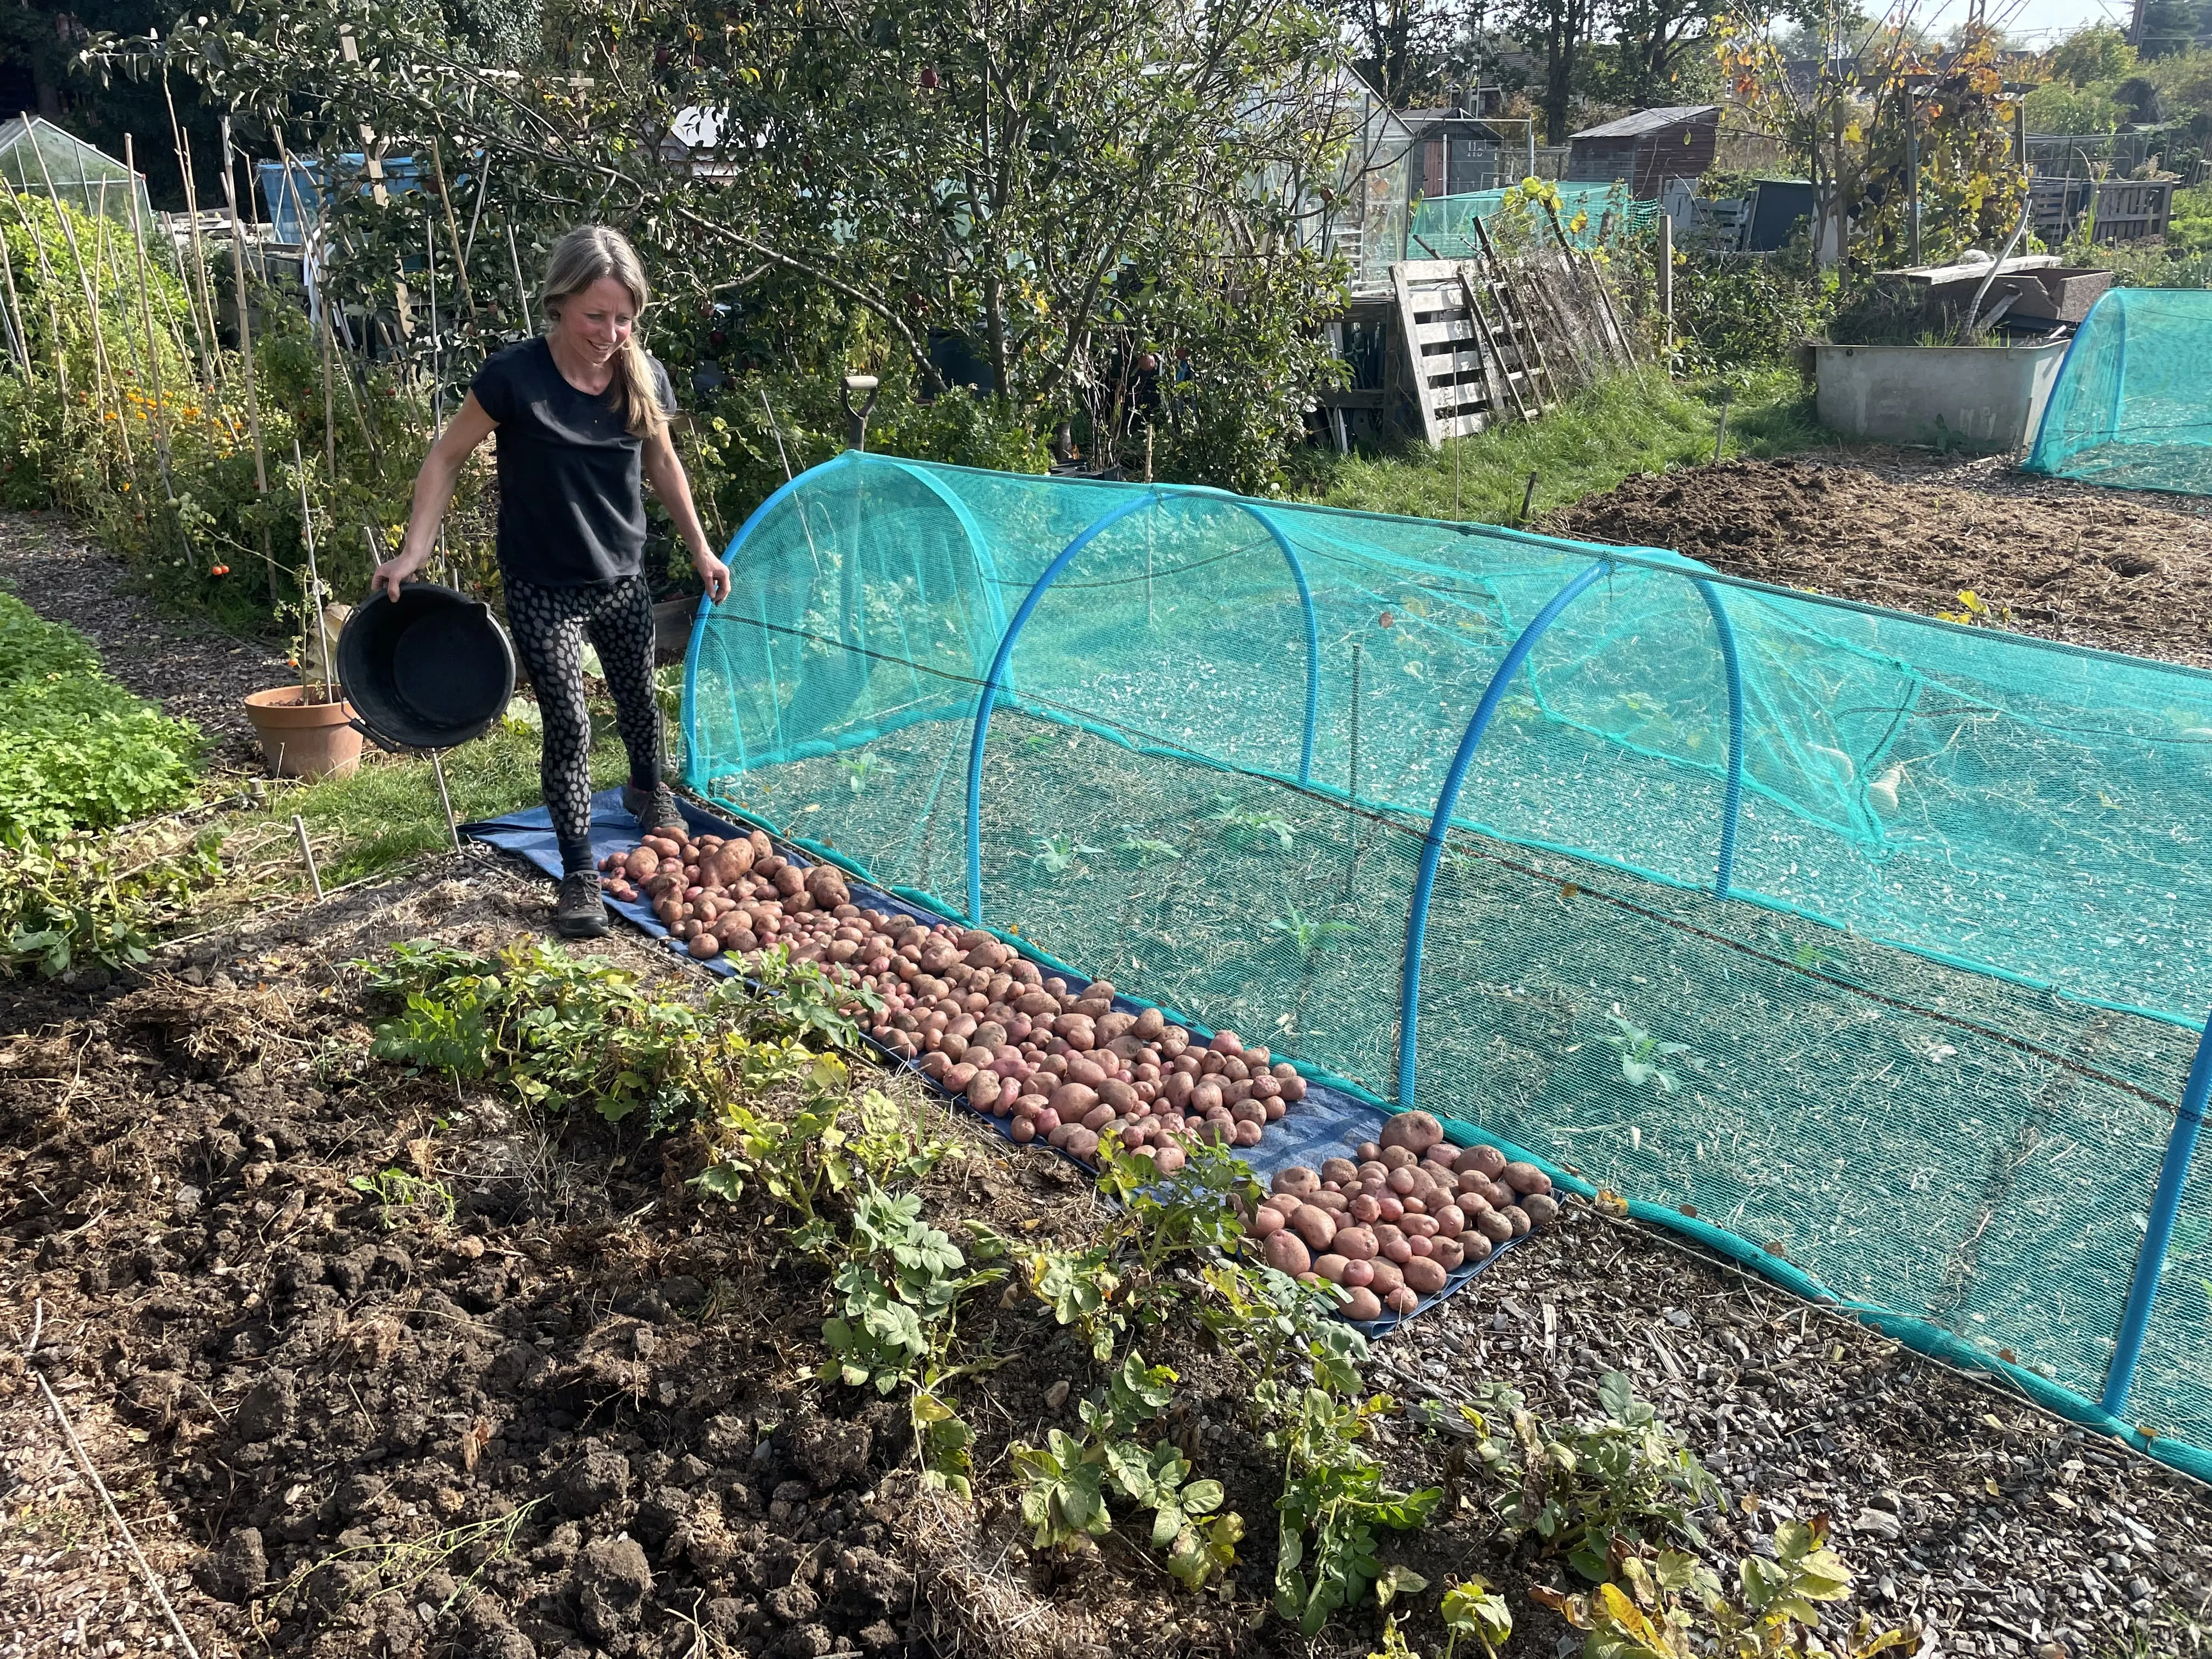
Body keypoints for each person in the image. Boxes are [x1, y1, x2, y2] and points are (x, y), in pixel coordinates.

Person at [374, 224, 730, 939]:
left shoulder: (642, 372)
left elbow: (662, 464)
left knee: (638, 706)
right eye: (596, 315)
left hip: (621, 574)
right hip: (541, 586)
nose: (611, 331)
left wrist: (700, 549)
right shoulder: (515, 377)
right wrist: (415, 548)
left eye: (625, 316)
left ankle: (647, 788)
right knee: (566, 724)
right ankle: (576, 876)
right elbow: (445, 459)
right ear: (560, 304)